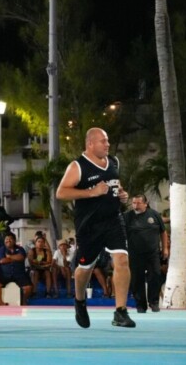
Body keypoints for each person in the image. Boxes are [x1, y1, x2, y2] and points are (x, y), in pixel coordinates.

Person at [56, 127, 134, 329]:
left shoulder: (114, 162)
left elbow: (116, 185)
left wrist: (122, 194)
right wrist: (92, 192)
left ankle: (120, 311)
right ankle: (80, 301)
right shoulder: (78, 166)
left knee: (122, 260)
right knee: (85, 268)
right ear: (90, 144)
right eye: (103, 141)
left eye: (107, 140)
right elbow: (61, 193)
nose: (107, 144)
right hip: (89, 225)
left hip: (114, 220)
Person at [123, 194, 168, 313]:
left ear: (145, 204)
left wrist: (165, 249)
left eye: (138, 203)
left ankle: (154, 302)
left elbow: (163, 232)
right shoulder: (127, 216)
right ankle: (140, 305)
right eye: (133, 203)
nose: (135, 205)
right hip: (135, 253)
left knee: (155, 276)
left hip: (153, 253)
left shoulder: (154, 214)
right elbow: (120, 233)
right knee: (137, 279)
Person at [0, 232, 32, 305]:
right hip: (4, 274)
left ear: (14, 240)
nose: (8, 240)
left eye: (10, 239)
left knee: (28, 288)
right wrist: (15, 258)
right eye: (6, 239)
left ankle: (24, 301)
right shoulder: (1, 249)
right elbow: (2, 261)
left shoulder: (20, 248)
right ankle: (0, 302)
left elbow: (22, 257)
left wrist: (9, 257)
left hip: (19, 274)